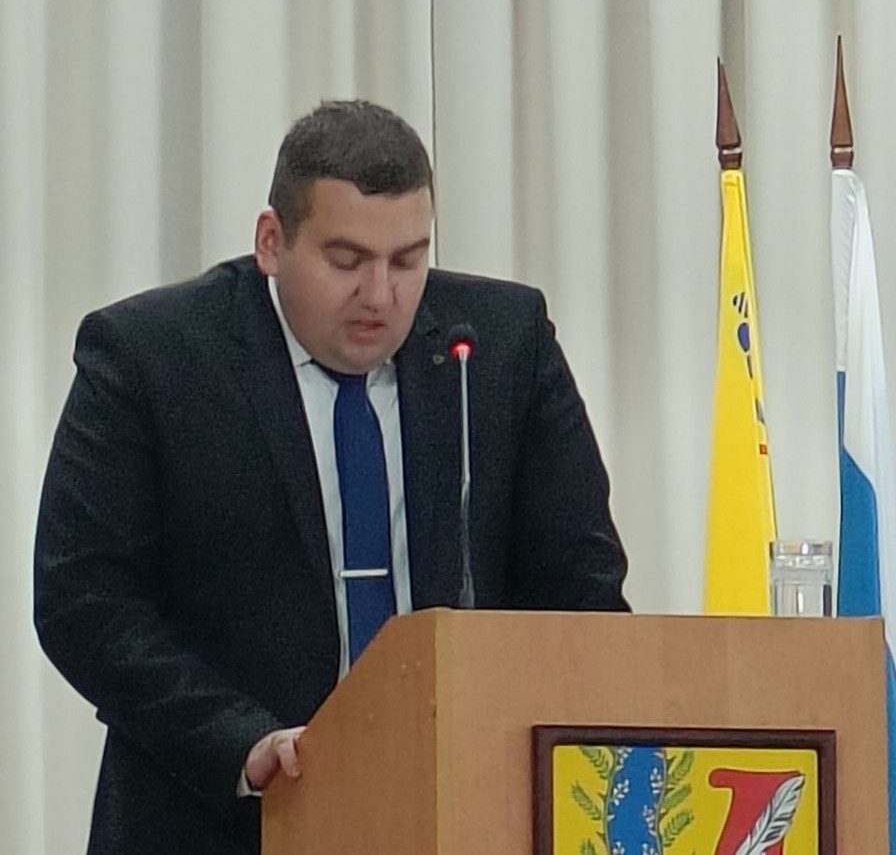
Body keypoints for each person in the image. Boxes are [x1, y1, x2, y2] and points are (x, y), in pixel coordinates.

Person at [34, 100, 628, 854]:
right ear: (271, 242)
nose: (380, 294)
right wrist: (241, 740)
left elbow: (581, 587)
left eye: (407, 260)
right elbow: (85, 601)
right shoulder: (152, 356)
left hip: (463, 813)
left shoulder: (498, 346)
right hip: (219, 819)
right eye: (347, 261)